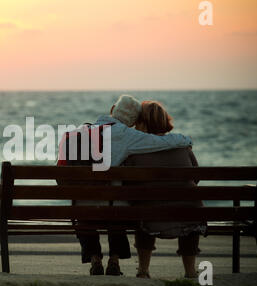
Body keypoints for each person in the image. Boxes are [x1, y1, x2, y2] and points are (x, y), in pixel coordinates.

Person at [58, 95, 194, 275]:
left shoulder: (76, 133)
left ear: (113, 109)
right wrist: (186, 140)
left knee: (86, 206)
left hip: (81, 208)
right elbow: (160, 142)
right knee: (118, 203)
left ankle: (94, 258)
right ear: (133, 122)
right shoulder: (127, 135)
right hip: (114, 210)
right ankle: (114, 259)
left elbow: (61, 175)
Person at [122, 100, 206, 278]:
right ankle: (190, 271)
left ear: (142, 123)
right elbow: (196, 176)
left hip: (151, 218)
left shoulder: (136, 151)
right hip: (189, 214)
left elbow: (128, 185)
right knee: (190, 209)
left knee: (143, 210)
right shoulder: (182, 147)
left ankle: (143, 270)